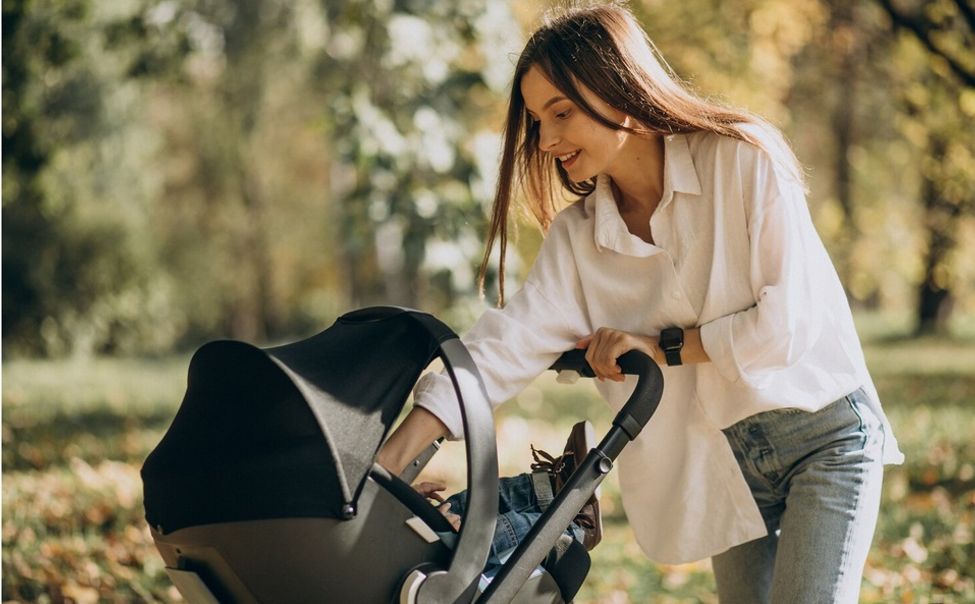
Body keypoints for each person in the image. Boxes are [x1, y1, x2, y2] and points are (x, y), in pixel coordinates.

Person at [379, 4, 903, 603]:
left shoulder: (743, 159)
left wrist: (661, 348)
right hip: (726, 467)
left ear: (617, 87)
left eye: (561, 113)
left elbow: (787, 323)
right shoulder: (579, 240)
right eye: (537, 121)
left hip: (824, 437)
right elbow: (503, 346)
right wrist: (392, 464)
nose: (546, 141)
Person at [413, 421, 601, 581]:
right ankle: (574, 526)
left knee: (457, 508)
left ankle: (547, 492)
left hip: (399, 546)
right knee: (469, 535)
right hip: (426, 568)